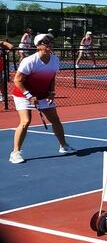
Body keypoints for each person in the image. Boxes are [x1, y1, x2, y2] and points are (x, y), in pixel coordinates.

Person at [9, 33, 76, 164]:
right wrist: (29, 95)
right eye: (46, 42)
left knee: (55, 120)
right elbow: (17, 80)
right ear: (38, 46)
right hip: (23, 95)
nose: (50, 44)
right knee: (25, 121)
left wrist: (51, 92)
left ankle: (64, 146)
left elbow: (52, 77)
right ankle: (15, 153)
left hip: (43, 95)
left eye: (51, 41)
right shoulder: (29, 61)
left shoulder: (55, 60)